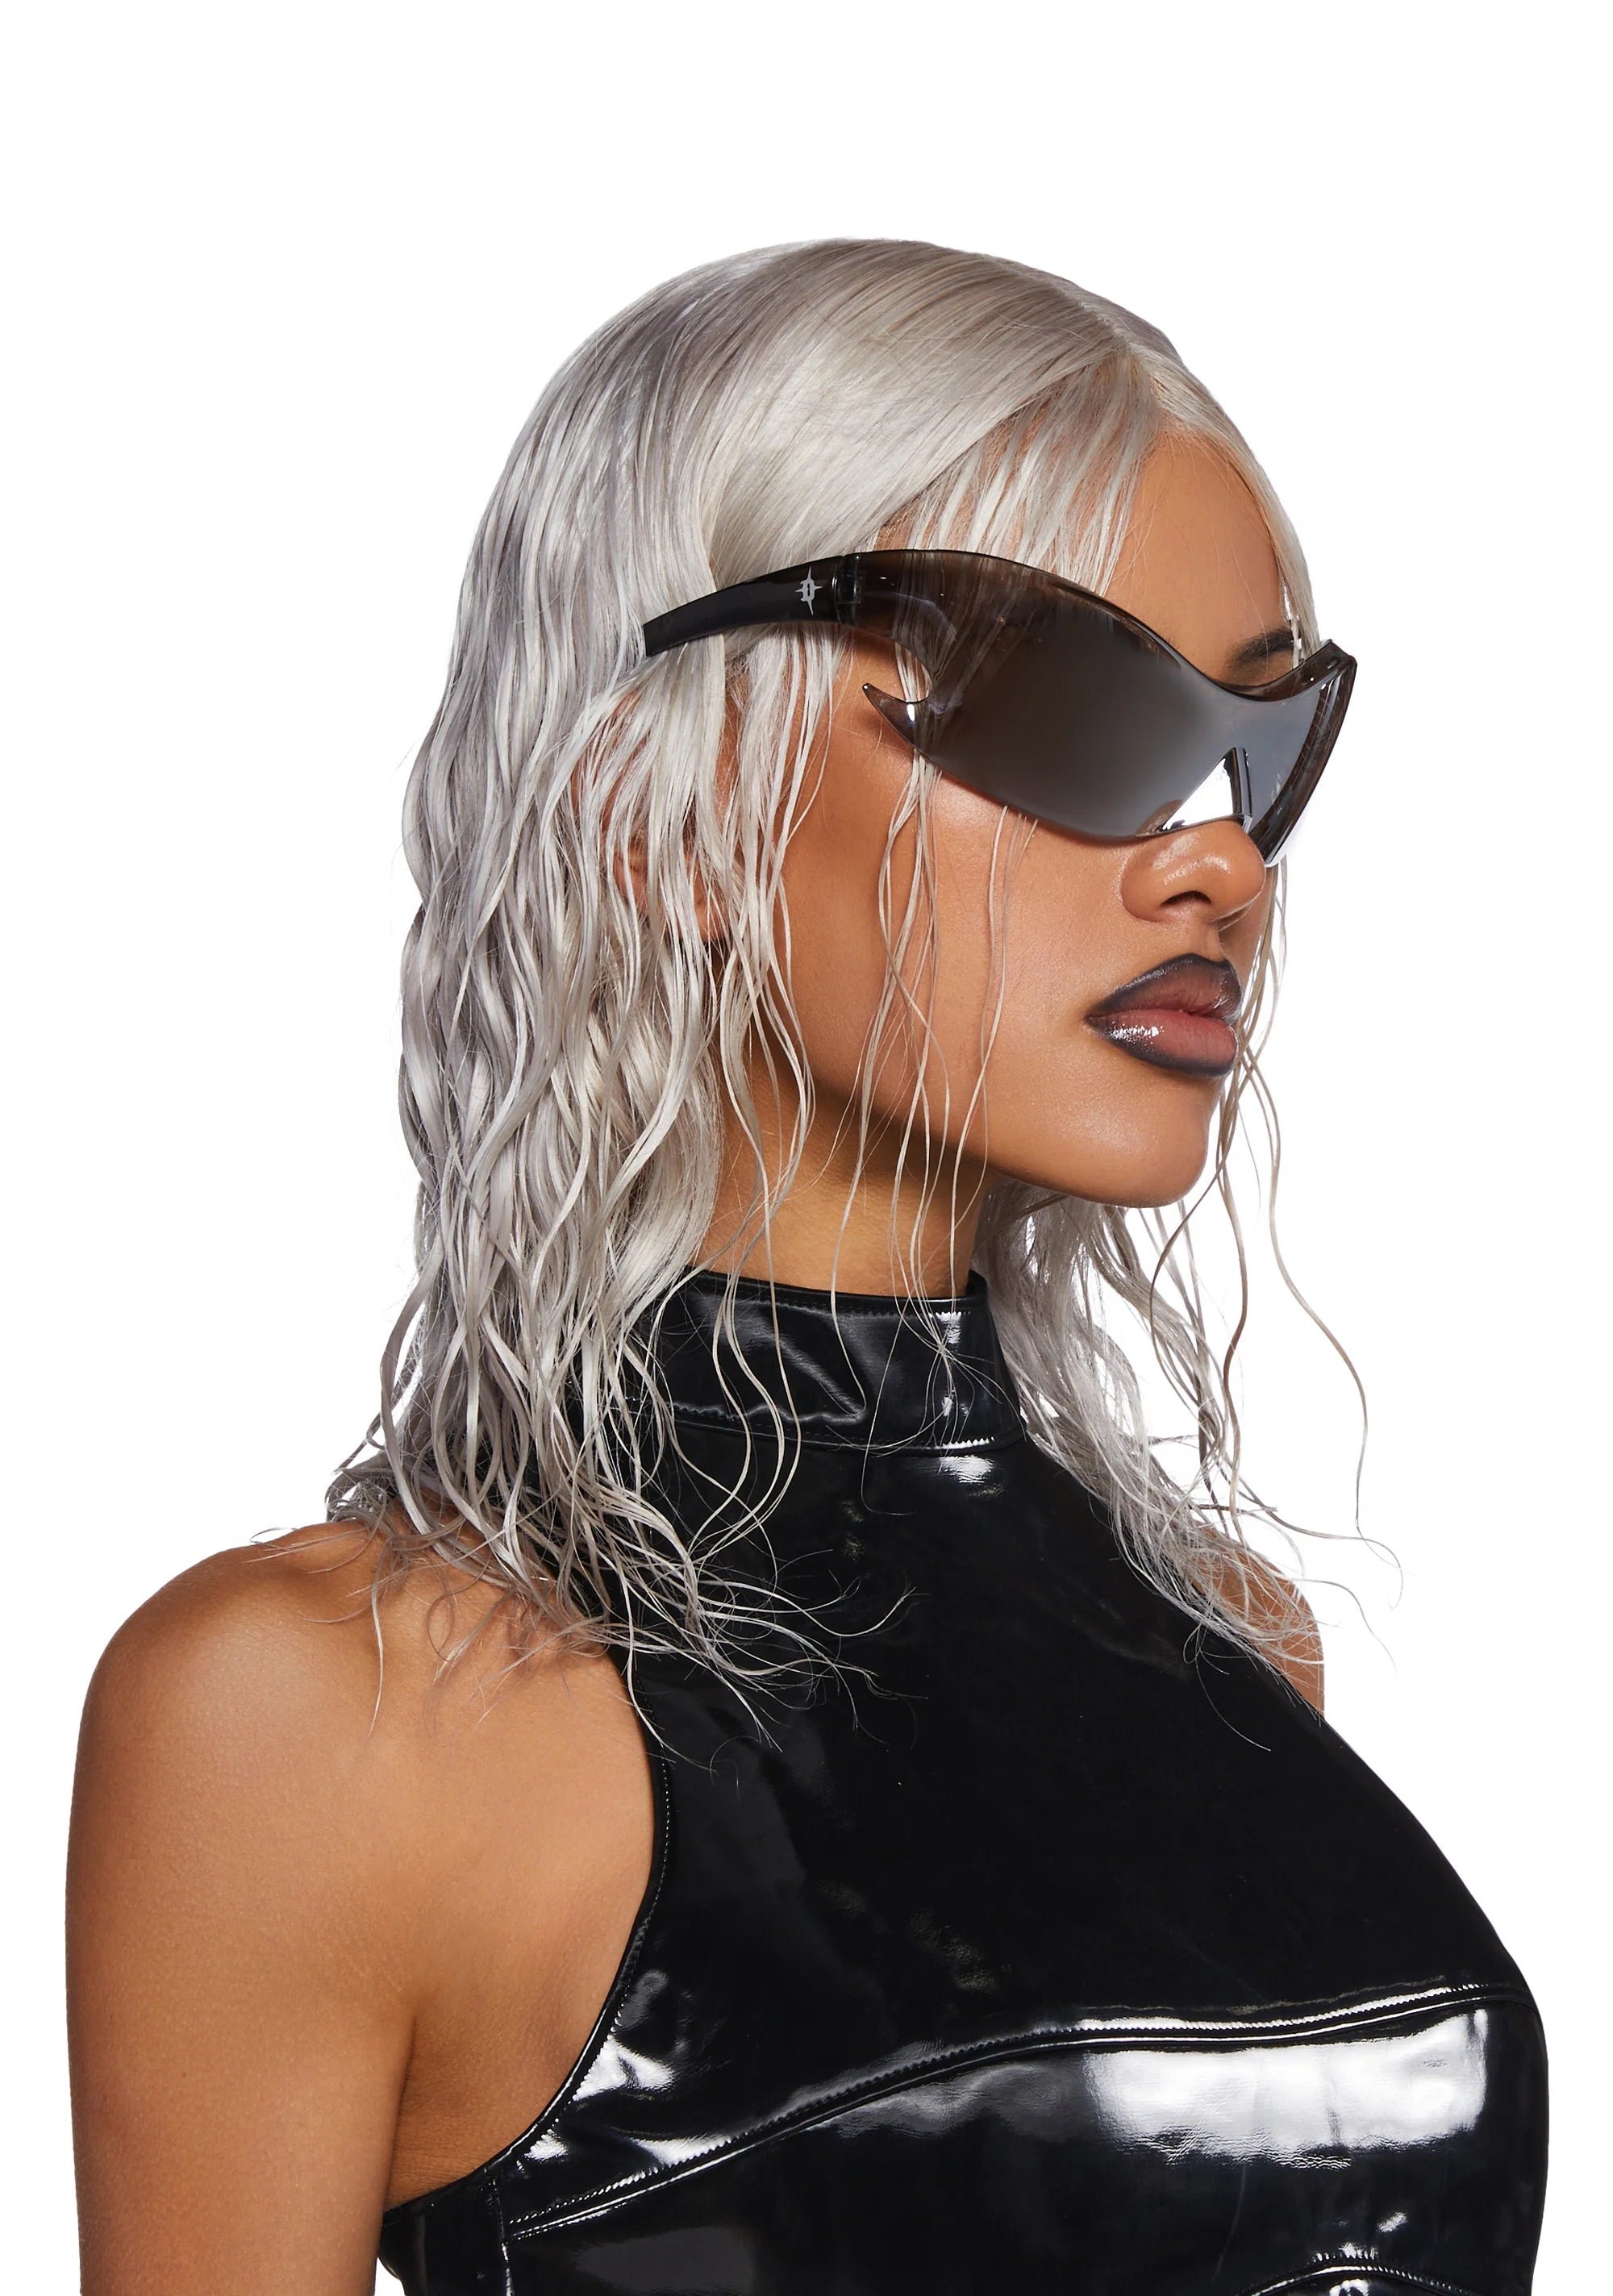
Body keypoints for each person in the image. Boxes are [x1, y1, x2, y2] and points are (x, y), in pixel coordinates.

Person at [66, 239, 1548, 2295]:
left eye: (1252, 739)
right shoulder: (316, 1715)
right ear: (663, 816)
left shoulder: (1230, 1649)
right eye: (1070, 706)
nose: (1219, 854)